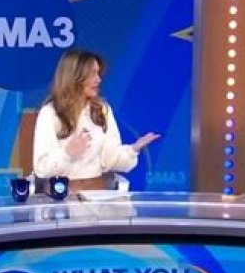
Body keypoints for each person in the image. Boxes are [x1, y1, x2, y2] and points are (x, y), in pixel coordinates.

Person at [33, 49, 160, 191]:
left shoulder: (102, 110)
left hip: (96, 192)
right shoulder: (50, 113)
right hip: (60, 193)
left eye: (98, 73)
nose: (98, 80)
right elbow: (42, 168)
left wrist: (133, 150)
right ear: (75, 76)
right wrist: (67, 153)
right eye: (92, 74)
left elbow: (109, 160)